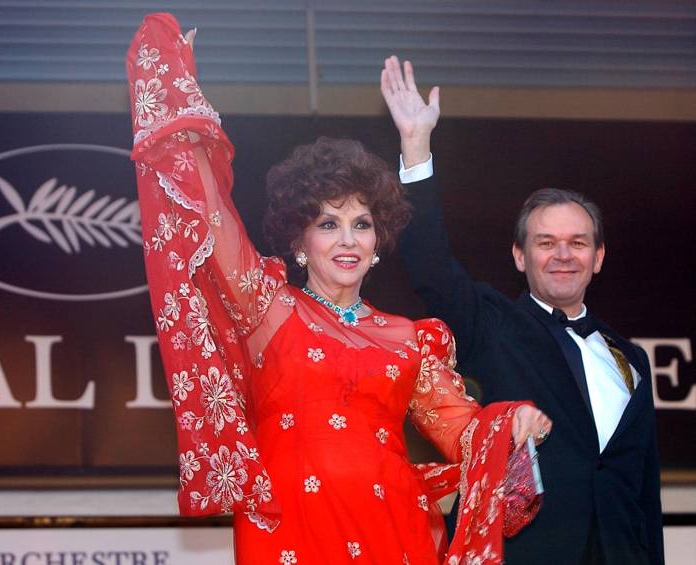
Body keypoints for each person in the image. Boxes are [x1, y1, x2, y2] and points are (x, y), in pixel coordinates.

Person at [126, 14, 551, 565]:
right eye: (328, 224)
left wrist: (510, 421)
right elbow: (210, 218)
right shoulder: (267, 307)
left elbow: (463, 432)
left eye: (362, 224)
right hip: (289, 530)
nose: (347, 240)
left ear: (379, 242)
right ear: (300, 240)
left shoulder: (410, 339)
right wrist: (179, 101)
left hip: (392, 528)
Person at [382, 55, 664, 565]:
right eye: (546, 242)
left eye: (578, 242)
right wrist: (416, 146)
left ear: (598, 258)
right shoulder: (491, 323)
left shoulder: (631, 359)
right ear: (520, 255)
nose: (562, 254)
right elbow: (430, 267)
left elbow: (644, 489)